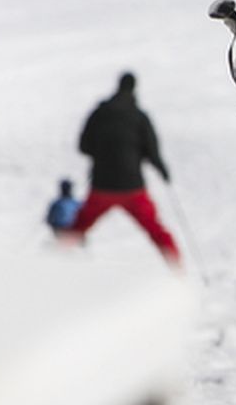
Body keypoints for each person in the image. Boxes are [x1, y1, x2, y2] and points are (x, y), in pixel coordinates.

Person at [63, 72, 181, 266]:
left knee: (78, 226)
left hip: (102, 185)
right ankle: (178, 271)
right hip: (132, 187)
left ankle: (52, 261)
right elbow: (152, 150)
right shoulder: (139, 116)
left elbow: (84, 145)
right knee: (155, 229)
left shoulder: (100, 113)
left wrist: (102, 156)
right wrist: (162, 171)